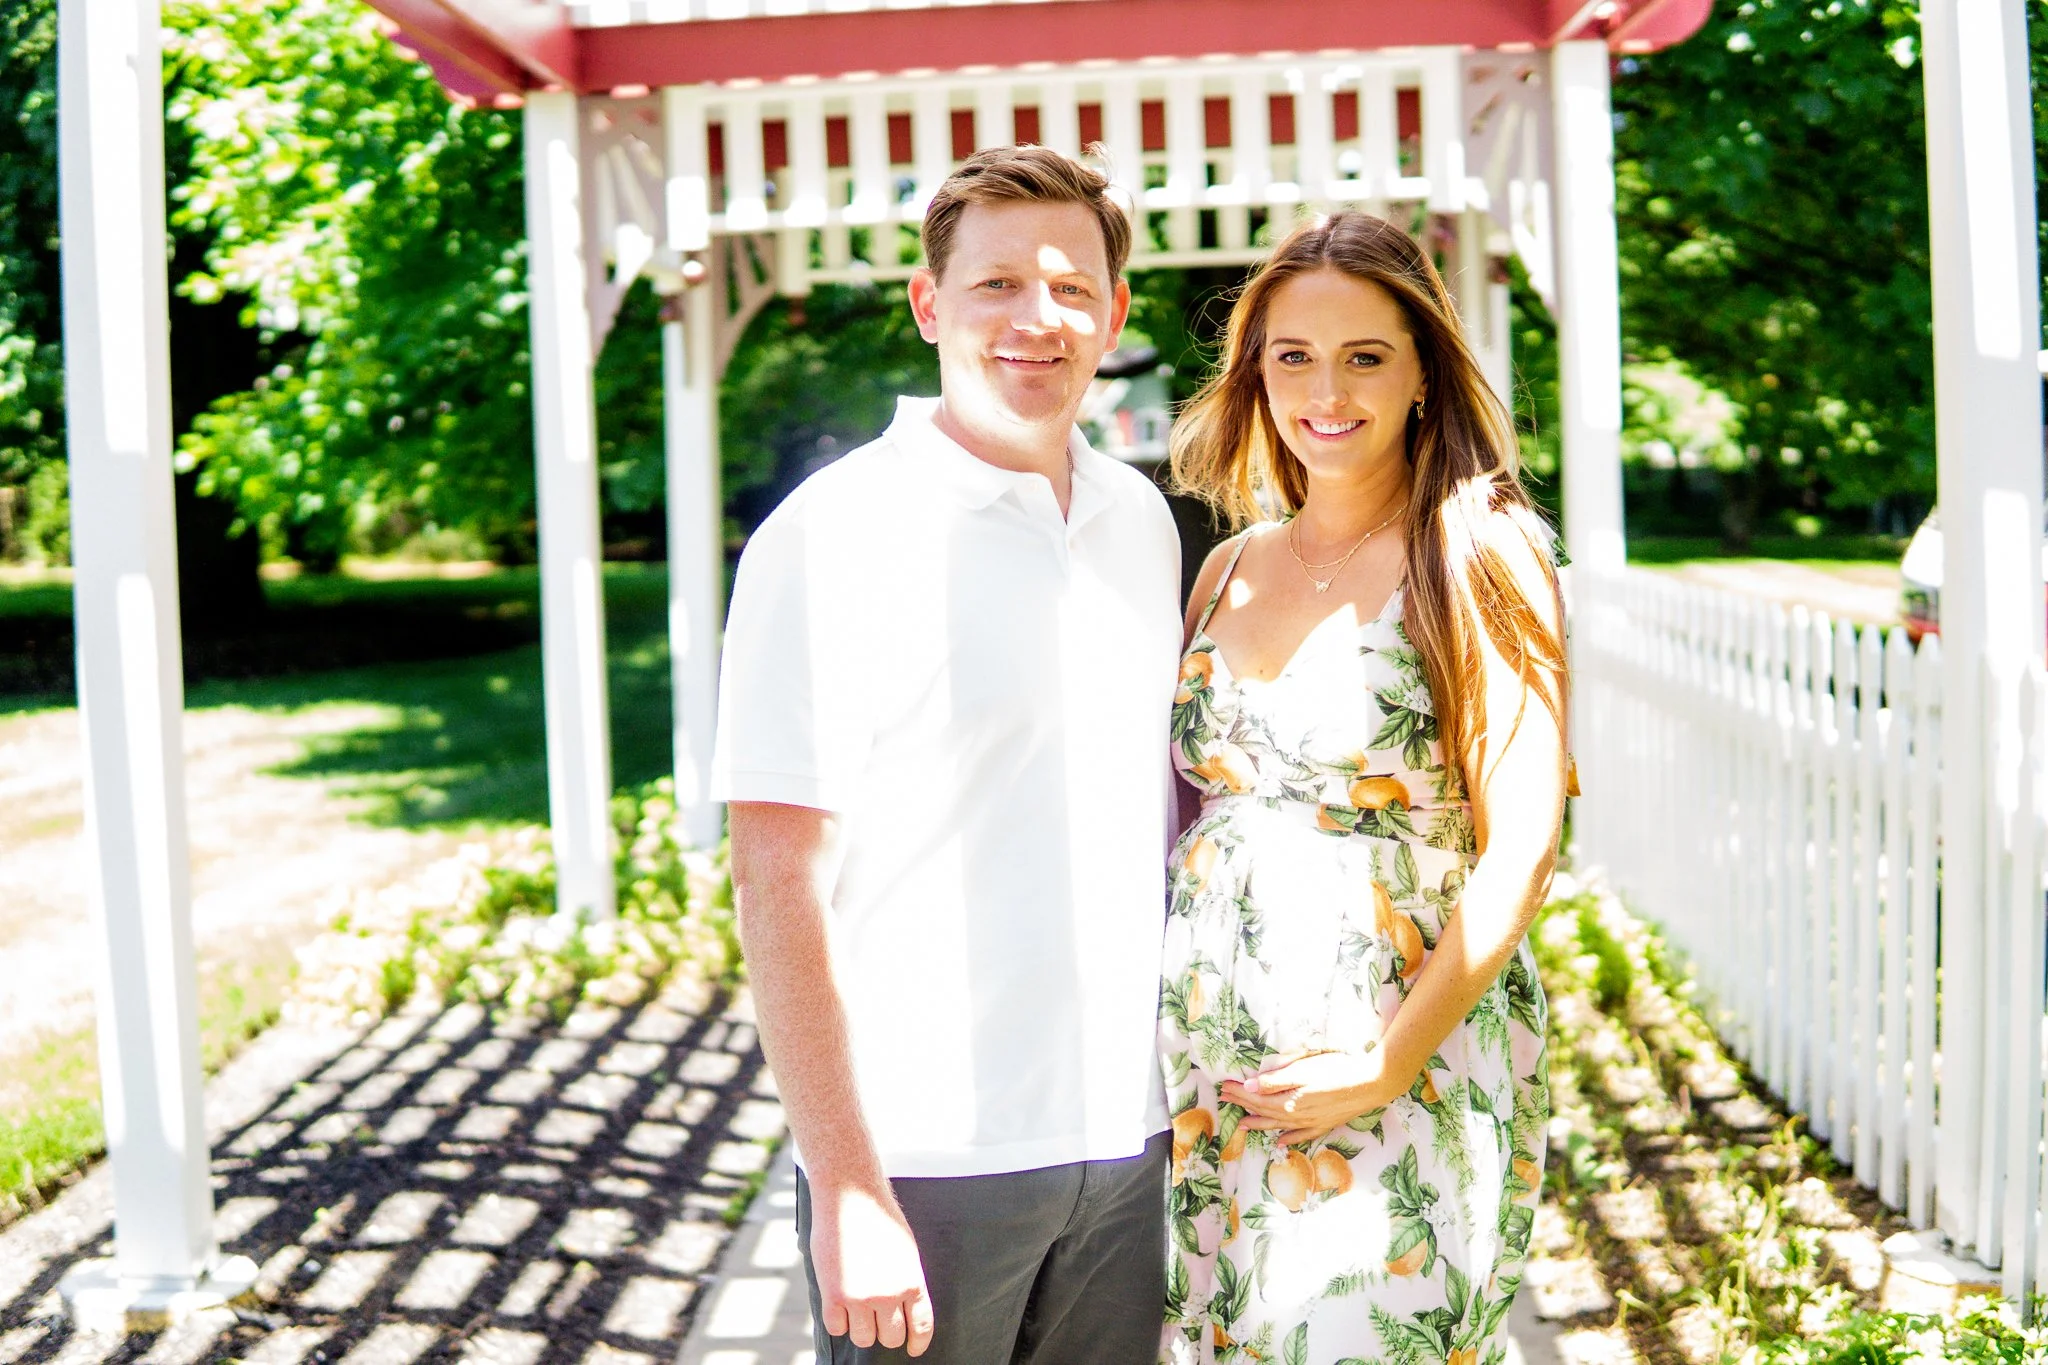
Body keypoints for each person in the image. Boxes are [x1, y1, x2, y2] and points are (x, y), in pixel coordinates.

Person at [711, 145, 1183, 1364]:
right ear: (929, 305)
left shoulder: (1137, 520)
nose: (1038, 318)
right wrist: (846, 1186)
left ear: (1113, 315)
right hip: (927, 1163)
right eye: (996, 285)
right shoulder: (832, 536)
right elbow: (774, 877)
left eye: (1071, 288)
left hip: (1129, 1140)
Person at [1156, 211, 1567, 1364]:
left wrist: (1386, 1060)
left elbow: (1523, 843)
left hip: (1396, 1061)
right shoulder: (1227, 567)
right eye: (1292, 356)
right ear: (1254, 371)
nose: (1324, 391)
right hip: (1213, 1069)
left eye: (1364, 356)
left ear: (1423, 372)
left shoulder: (1474, 550)